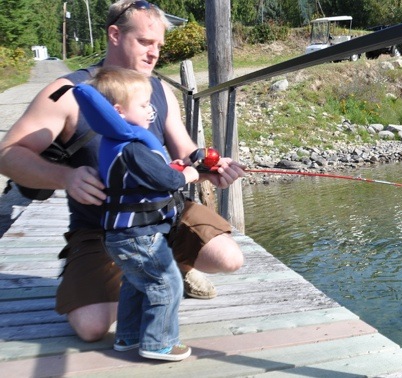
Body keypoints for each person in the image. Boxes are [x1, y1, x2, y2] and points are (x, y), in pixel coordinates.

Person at [0, 0, 245, 343]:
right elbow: (9, 154)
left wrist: (211, 164)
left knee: (228, 258)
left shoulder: (158, 89)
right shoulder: (68, 92)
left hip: (163, 215)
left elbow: (185, 149)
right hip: (101, 226)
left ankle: (171, 265)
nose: (154, 53)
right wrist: (65, 177)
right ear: (115, 34)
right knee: (92, 326)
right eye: (145, 42)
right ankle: (140, 270)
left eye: (159, 45)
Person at [77, 67, 197, 360]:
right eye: (144, 105)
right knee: (166, 283)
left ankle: (128, 336)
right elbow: (167, 181)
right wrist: (189, 174)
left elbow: (148, 175)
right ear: (118, 111)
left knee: (134, 283)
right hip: (139, 236)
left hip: (122, 235)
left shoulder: (115, 142)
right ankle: (159, 343)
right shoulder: (132, 147)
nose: (150, 110)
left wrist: (172, 168)